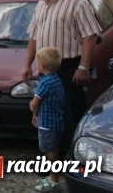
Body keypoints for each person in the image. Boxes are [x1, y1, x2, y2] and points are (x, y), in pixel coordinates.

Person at [22, 0, 101, 155]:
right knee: (48, 113)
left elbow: (90, 37)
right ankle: (52, 155)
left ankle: (76, 156)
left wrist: (83, 67)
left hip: (68, 67)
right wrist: (27, 64)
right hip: (45, 68)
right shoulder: (41, 4)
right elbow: (33, 36)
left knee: (71, 111)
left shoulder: (77, 3)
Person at [30, 46, 65, 192]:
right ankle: (52, 177)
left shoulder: (44, 82)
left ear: (42, 65)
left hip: (46, 124)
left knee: (49, 151)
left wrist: (34, 112)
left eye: (37, 63)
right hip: (57, 122)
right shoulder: (57, 80)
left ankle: (54, 180)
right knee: (54, 148)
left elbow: (35, 102)